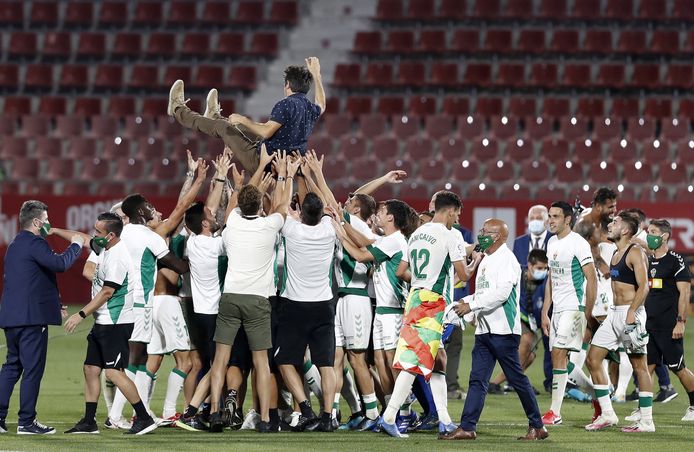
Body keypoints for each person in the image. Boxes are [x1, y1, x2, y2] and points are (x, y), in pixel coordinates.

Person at [207, 152, 299, 433]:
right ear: (261, 205)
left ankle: (214, 413)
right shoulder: (269, 225)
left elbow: (239, 198)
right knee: (261, 363)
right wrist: (285, 175)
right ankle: (266, 419)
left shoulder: (232, 222)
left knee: (220, 359)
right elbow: (282, 204)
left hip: (231, 297)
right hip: (259, 300)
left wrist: (258, 169)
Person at [374, 191, 479, 438]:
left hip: (415, 298)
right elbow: (462, 276)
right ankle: (389, 417)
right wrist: (474, 264)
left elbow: (402, 269)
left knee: (438, 360)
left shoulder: (417, 234)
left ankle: (445, 420)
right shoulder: (450, 235)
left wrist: (421, 283)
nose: (457, 219)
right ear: (450, 210)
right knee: (414, 363)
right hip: (432, 304)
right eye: (458, 214)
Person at [442, 219, 548, 441]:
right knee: (477, 380)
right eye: (481, 230)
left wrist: (470, 305)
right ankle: (468, 427)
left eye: (486, 232)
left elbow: (501, 294)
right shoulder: (487, 259)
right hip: (484, 331)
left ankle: (537, 426)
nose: (481, 234)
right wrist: (462, 308)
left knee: (516, 379)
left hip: (503, 331)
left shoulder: (507, 259)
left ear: (498, 236)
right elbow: (483, 294)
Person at [63, 212, 158, 435]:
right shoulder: (105, 247)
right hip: (103, 321)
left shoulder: (117, 257)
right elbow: (82, 238)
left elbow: (107, 292)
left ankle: (143, 418)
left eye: (99, 232)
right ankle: (88, 422)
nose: (95, 235)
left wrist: (81, 314)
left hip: (115, 322)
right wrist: (54, 231)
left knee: (114, 372)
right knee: (90, 368)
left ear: (111, 235)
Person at [0, 201, 86, 435]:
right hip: (31, 319)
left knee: (11, 367)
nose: (49, 223)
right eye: (46, 219)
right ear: (37, 222)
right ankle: (26, 422)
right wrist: (76, 245)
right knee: (33, 369)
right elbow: (59, 264)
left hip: (12, 316)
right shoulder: (35, 242)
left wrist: (54, 304)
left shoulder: (15, 243)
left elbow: (31, 280)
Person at [108, 193, 190, 427]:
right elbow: (178, 266)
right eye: (149, 207)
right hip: (141, 302)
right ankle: (121, 415)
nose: (153, 210)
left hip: (123, 301)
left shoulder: (123, 234)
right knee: (135, 359)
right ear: (140, 213)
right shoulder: (149, 237)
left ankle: (139, 411)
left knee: (139, 358)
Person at [168, 58, 325, 173]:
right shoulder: (310, 107)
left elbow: (266, 131)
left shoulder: (286, 104)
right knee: (241, 127)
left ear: (288, 85)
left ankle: (177, 109)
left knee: (224, 128)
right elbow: (321, 104)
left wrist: (242, 118)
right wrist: (316, 75)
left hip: (262, 162)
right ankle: (214, 115)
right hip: (277, 158)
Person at [584, 211, 654, 433]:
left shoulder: (635, 252)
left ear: (625, 230)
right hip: (614, 314)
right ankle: (607, 414)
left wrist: (633, 312)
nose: (610, 225)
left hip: (630, 314)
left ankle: (646, 421)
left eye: (615, 222)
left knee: (639, 366)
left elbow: (644, 285)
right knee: (593, 359)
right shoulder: (615, 252)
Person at [275, 192, 338, 432]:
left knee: (284, 360)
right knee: (326, 365)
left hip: (296, 306)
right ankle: (327, 416)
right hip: (324, 305)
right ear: (321, 213)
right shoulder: (329, 228)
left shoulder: (292, 230)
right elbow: (329, 206)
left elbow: (280, 207)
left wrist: (288, 174)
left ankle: (306, 409)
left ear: (301, 213)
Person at [540, 201, 597, 426]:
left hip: (574, 308)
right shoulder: (552, 242)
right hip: (558, 310)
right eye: (549, 216)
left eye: (555, 216)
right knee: (560, 359)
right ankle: (598, 394)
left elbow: (591, 279)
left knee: (558, 355)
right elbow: (552, 279)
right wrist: (546, 310)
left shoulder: (578, 244)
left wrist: (589, 313)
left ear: (567, 220)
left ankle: (555, 411)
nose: (550, 220)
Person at [637, 219, 694, 422]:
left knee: (677, 367)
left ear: (664, 236)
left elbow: (684, 294)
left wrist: (680, 322)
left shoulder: (676, 261)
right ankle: (643, 410)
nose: (648, 235)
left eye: (652, 232)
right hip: (649, 324)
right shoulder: (646, 260)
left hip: (669, 325)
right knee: (646, 367)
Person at [488, 249, 548, 394]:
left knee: (531, 356)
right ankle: (498, 383)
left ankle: (512, 382)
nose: (543, 271)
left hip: (532, 322)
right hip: (512, 316)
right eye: (540, 268)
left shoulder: (547, 283)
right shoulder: (515, 274)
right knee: (526, 341)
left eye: (546, 268)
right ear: (529, 265)